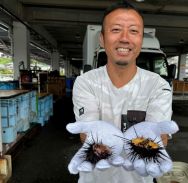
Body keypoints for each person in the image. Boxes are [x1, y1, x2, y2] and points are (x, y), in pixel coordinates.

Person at [72, 1, 173, 182]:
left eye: (133, 31)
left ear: (141, 40)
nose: (125, 38)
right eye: (116, 29)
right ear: (102, 39)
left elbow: (160, 135)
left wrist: (155, 135)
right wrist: (132, 141)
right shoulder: (86, 82)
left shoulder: (158, 85)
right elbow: (86, 133)